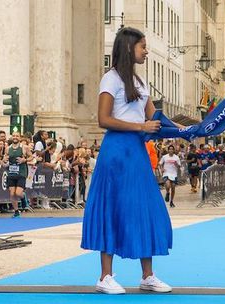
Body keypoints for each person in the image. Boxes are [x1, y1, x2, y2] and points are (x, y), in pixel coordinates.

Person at [81, 27, 173, 295]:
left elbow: (156, 120)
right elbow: (103, 119)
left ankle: (148, 276)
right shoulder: (110, 79)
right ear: (129, 47)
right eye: (143, 46)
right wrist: (139, 127)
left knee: (144, 206)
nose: (146, 50)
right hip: (117, 151)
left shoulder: (141, 83)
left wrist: (188, 130)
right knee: (113, 207)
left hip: (137, 152)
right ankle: (105, 276)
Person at [3, 132, 33, 218]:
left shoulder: (24, 147)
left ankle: (23, 197)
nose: (15, 137)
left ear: (20, 138)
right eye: (14, 136)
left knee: (18, 193)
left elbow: (31, 157)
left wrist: (24, 160)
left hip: (21, 172)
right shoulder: (8, 148)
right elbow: (5, 158)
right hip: (11, 173)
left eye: (17, 136)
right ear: (12, 137)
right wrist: (4, 159)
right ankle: (16, 212)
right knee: (12, 194)